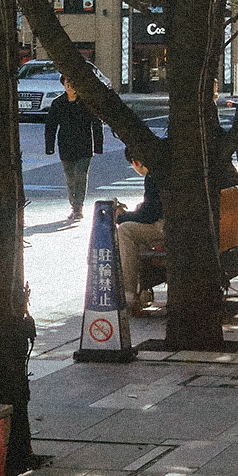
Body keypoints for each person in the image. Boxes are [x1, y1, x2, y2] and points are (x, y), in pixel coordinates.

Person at [43, 77, 104, 223]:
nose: (70, 86)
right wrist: (49, 147)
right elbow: (50, 126)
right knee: (70, 178)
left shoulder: (87, 102)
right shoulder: (58, 103)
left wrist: (98, 146)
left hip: (85, 145)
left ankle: (78, 208)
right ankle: (73, 205)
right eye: (67, 84)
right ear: (64, 85)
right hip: (66, 145)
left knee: (80, 176)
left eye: (73, 83)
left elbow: (96, 123)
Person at [115, 158, 164, 312]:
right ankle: (142, 291)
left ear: (136, 162)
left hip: (168, 228)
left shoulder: (154, 175)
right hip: (178, 225)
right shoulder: (165, 168)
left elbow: (148, 215)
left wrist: (121, 217)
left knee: (125, 231)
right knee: (138, 232)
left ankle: (129, 292)